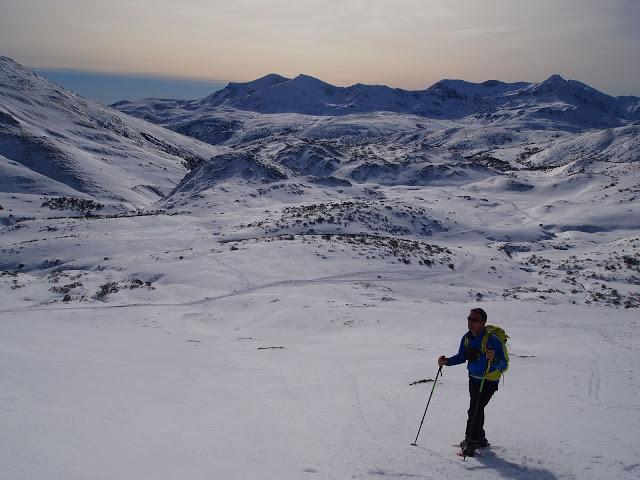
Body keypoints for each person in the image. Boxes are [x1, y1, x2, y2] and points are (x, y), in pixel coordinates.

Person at [438, 308, 507, 456]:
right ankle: (479, 438)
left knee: (474, 409)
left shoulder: (492, 340)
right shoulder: (467, 338)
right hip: (473, 379)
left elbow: (504, 364)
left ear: (483, 322)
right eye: (469, 319)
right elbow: (462, 356)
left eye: (474, 320)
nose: (470, 322)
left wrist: (494, 359)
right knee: (477, 408)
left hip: (488, 381)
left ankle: (469, 441)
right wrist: (447, 361)